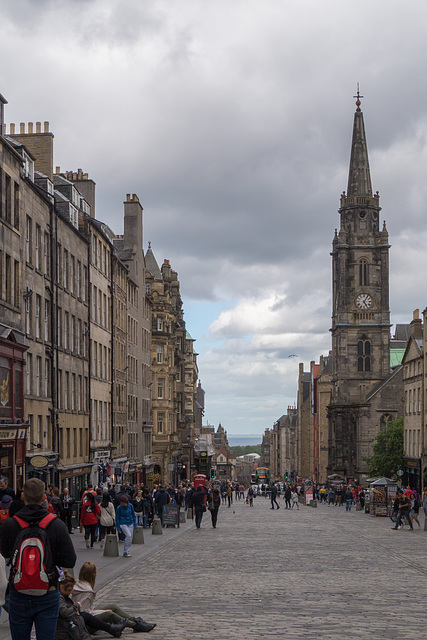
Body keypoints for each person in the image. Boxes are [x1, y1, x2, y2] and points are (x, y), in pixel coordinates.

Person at [0, 477, 76, 640]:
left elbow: (5, 553)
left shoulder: (10, 524)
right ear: (44, 498)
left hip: (18, 590)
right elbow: (70, 560)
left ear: (22, 497)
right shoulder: (56, 525)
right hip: (47, 591)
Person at [72, 561, 156, 633]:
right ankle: (136, 626)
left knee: (113, 606)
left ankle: (135, 620)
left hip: (84, 617)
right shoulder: (87, 591)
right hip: (87, 624)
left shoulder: (78, 584)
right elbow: (86, 613)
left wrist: (102, 611)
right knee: (109, 614)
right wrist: (103, 611)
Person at [56, 571, 127, 639]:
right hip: (73, 625)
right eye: (68, 590)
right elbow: (65, 612)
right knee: (108, 614)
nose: (70, 592)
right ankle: (128, 625)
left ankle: (131, 622)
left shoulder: (65, 596)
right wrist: (76, 606)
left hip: (78, 621)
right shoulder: (61, 597)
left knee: (112, 607)